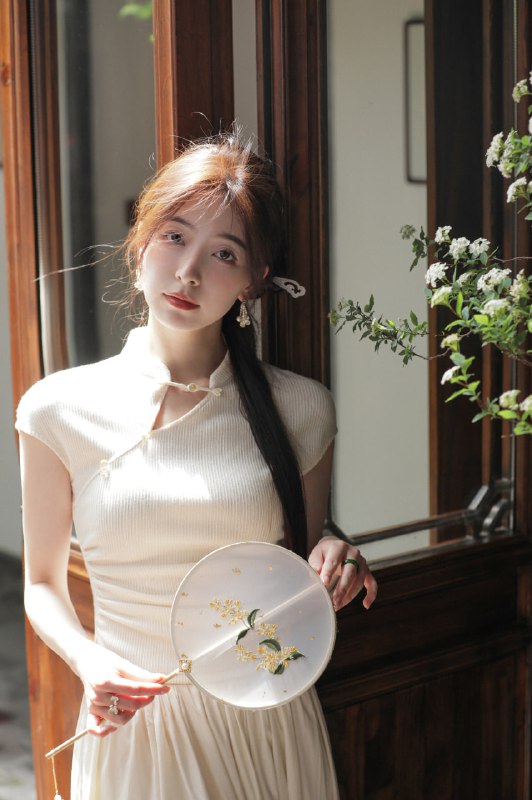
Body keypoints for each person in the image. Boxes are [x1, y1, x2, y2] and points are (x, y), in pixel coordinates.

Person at [16, 133, 378, 799]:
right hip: (137, 723)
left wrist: (336, 553)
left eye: (223, 254)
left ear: (252, 281)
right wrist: (91, 663)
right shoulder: (57, 408)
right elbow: (40, 582)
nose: (188, 273)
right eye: (174, 237)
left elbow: (301, 554)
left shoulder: (300, 407)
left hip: (264, 718)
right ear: (139, 249)